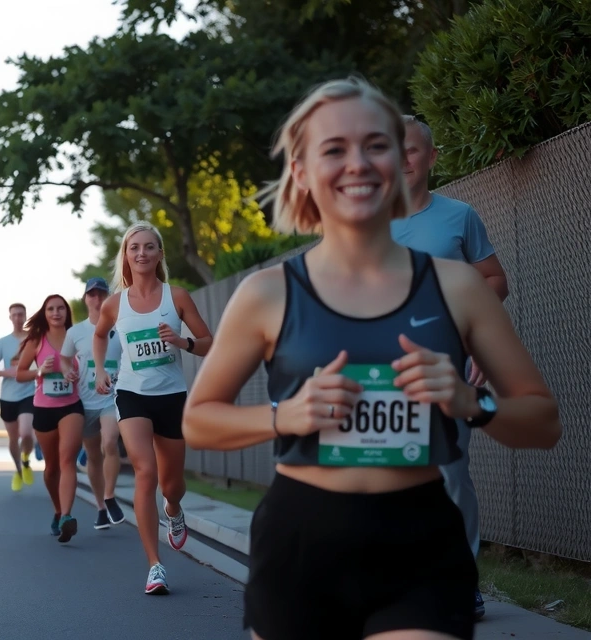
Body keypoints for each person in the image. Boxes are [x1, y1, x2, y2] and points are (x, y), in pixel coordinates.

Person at [182, 77, 561, 640]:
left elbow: (544, 421)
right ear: (303, 170)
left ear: (401, 161)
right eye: (334, 149)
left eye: (376, 144)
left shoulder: (458, 286)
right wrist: (285, 415)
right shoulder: (267, 294)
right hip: (301, 541)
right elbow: (198, 419)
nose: (357, 163)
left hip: (420, 542)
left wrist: (468, 400)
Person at [394, 114, 512, 620]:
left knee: (449, 473)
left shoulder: (459, 217)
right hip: (380, 369)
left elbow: (494, 280)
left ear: (431, 157)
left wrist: (476, 339)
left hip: (446, 363)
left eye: (412, 150)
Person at [93, 221, 213, 595]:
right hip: (132, 394)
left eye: (148, 247)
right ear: (126, 257)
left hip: (172, 395)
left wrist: (181, 341)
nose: (141, 253)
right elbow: (99, 335)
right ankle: (154, 565)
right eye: (134, 248)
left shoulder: (176, 297)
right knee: (146, 470)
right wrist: (100, 368)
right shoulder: (115, 304)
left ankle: (173, 511)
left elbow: (209, 342)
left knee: (172, 484)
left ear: (159, 254)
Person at [16, 294, 85, 543]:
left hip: (71, 406)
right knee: (52, 467)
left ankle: (67, 516)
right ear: (45, 314)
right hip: (43, 409)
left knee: (68, 460)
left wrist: (76, 373)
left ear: (67, 312)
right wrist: (39, 372)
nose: (56, 313)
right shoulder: (37, 340)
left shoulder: (76, 336)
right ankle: (57, 510)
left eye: (60, 308)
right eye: (51, 309)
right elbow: (20, 374)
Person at [60, 277, 126, 530]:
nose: (97, 299)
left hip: (111, 398)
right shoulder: (75, 332)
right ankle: (100, 507)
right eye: (92, 295)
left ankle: (109, 496)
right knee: (93, 456)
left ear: (108, 297)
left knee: (110, 442)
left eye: (101, 294)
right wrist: (67, 371)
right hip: (85, 402)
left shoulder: (121, 329)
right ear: (85, 299)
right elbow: (65, 359)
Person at [0, 304, 37, 491]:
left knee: (26, 432)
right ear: (10, 317)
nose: (17, 318)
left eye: (20, 314)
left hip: (29, 393)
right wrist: (5, 372)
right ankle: (18, 470)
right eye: (14, 315)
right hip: (8, 396)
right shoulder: (2, 343)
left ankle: (25, 458)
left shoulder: (33, 340)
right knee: (13, 437)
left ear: (25, 316)